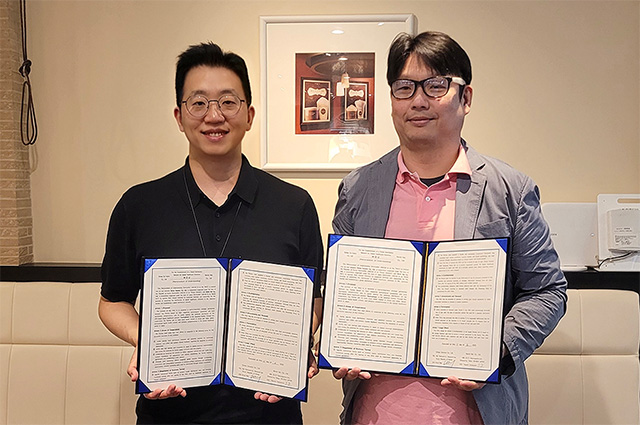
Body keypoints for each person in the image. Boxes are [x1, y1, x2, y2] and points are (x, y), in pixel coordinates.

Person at [331, 31, 567, 425]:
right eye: (404, 87)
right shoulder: (358, 188)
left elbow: (547, 291)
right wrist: (342, 339)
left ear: (465, 98)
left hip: (478, 415)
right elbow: (344, 290)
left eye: (436, 85)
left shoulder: (509, 189)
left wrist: (497, 350)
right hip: (373, 416)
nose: (418, 100)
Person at [99, 42, 324, 424]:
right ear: (179, 115)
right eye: (199, 103)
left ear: (249, 115)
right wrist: (149, 341)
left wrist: (297, 340)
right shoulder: (139, 205)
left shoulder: (294, 205)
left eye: (228, 102)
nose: (214, 116)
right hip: (169, 413)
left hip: (268, 414)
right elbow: (112, 301)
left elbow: (313, 296)